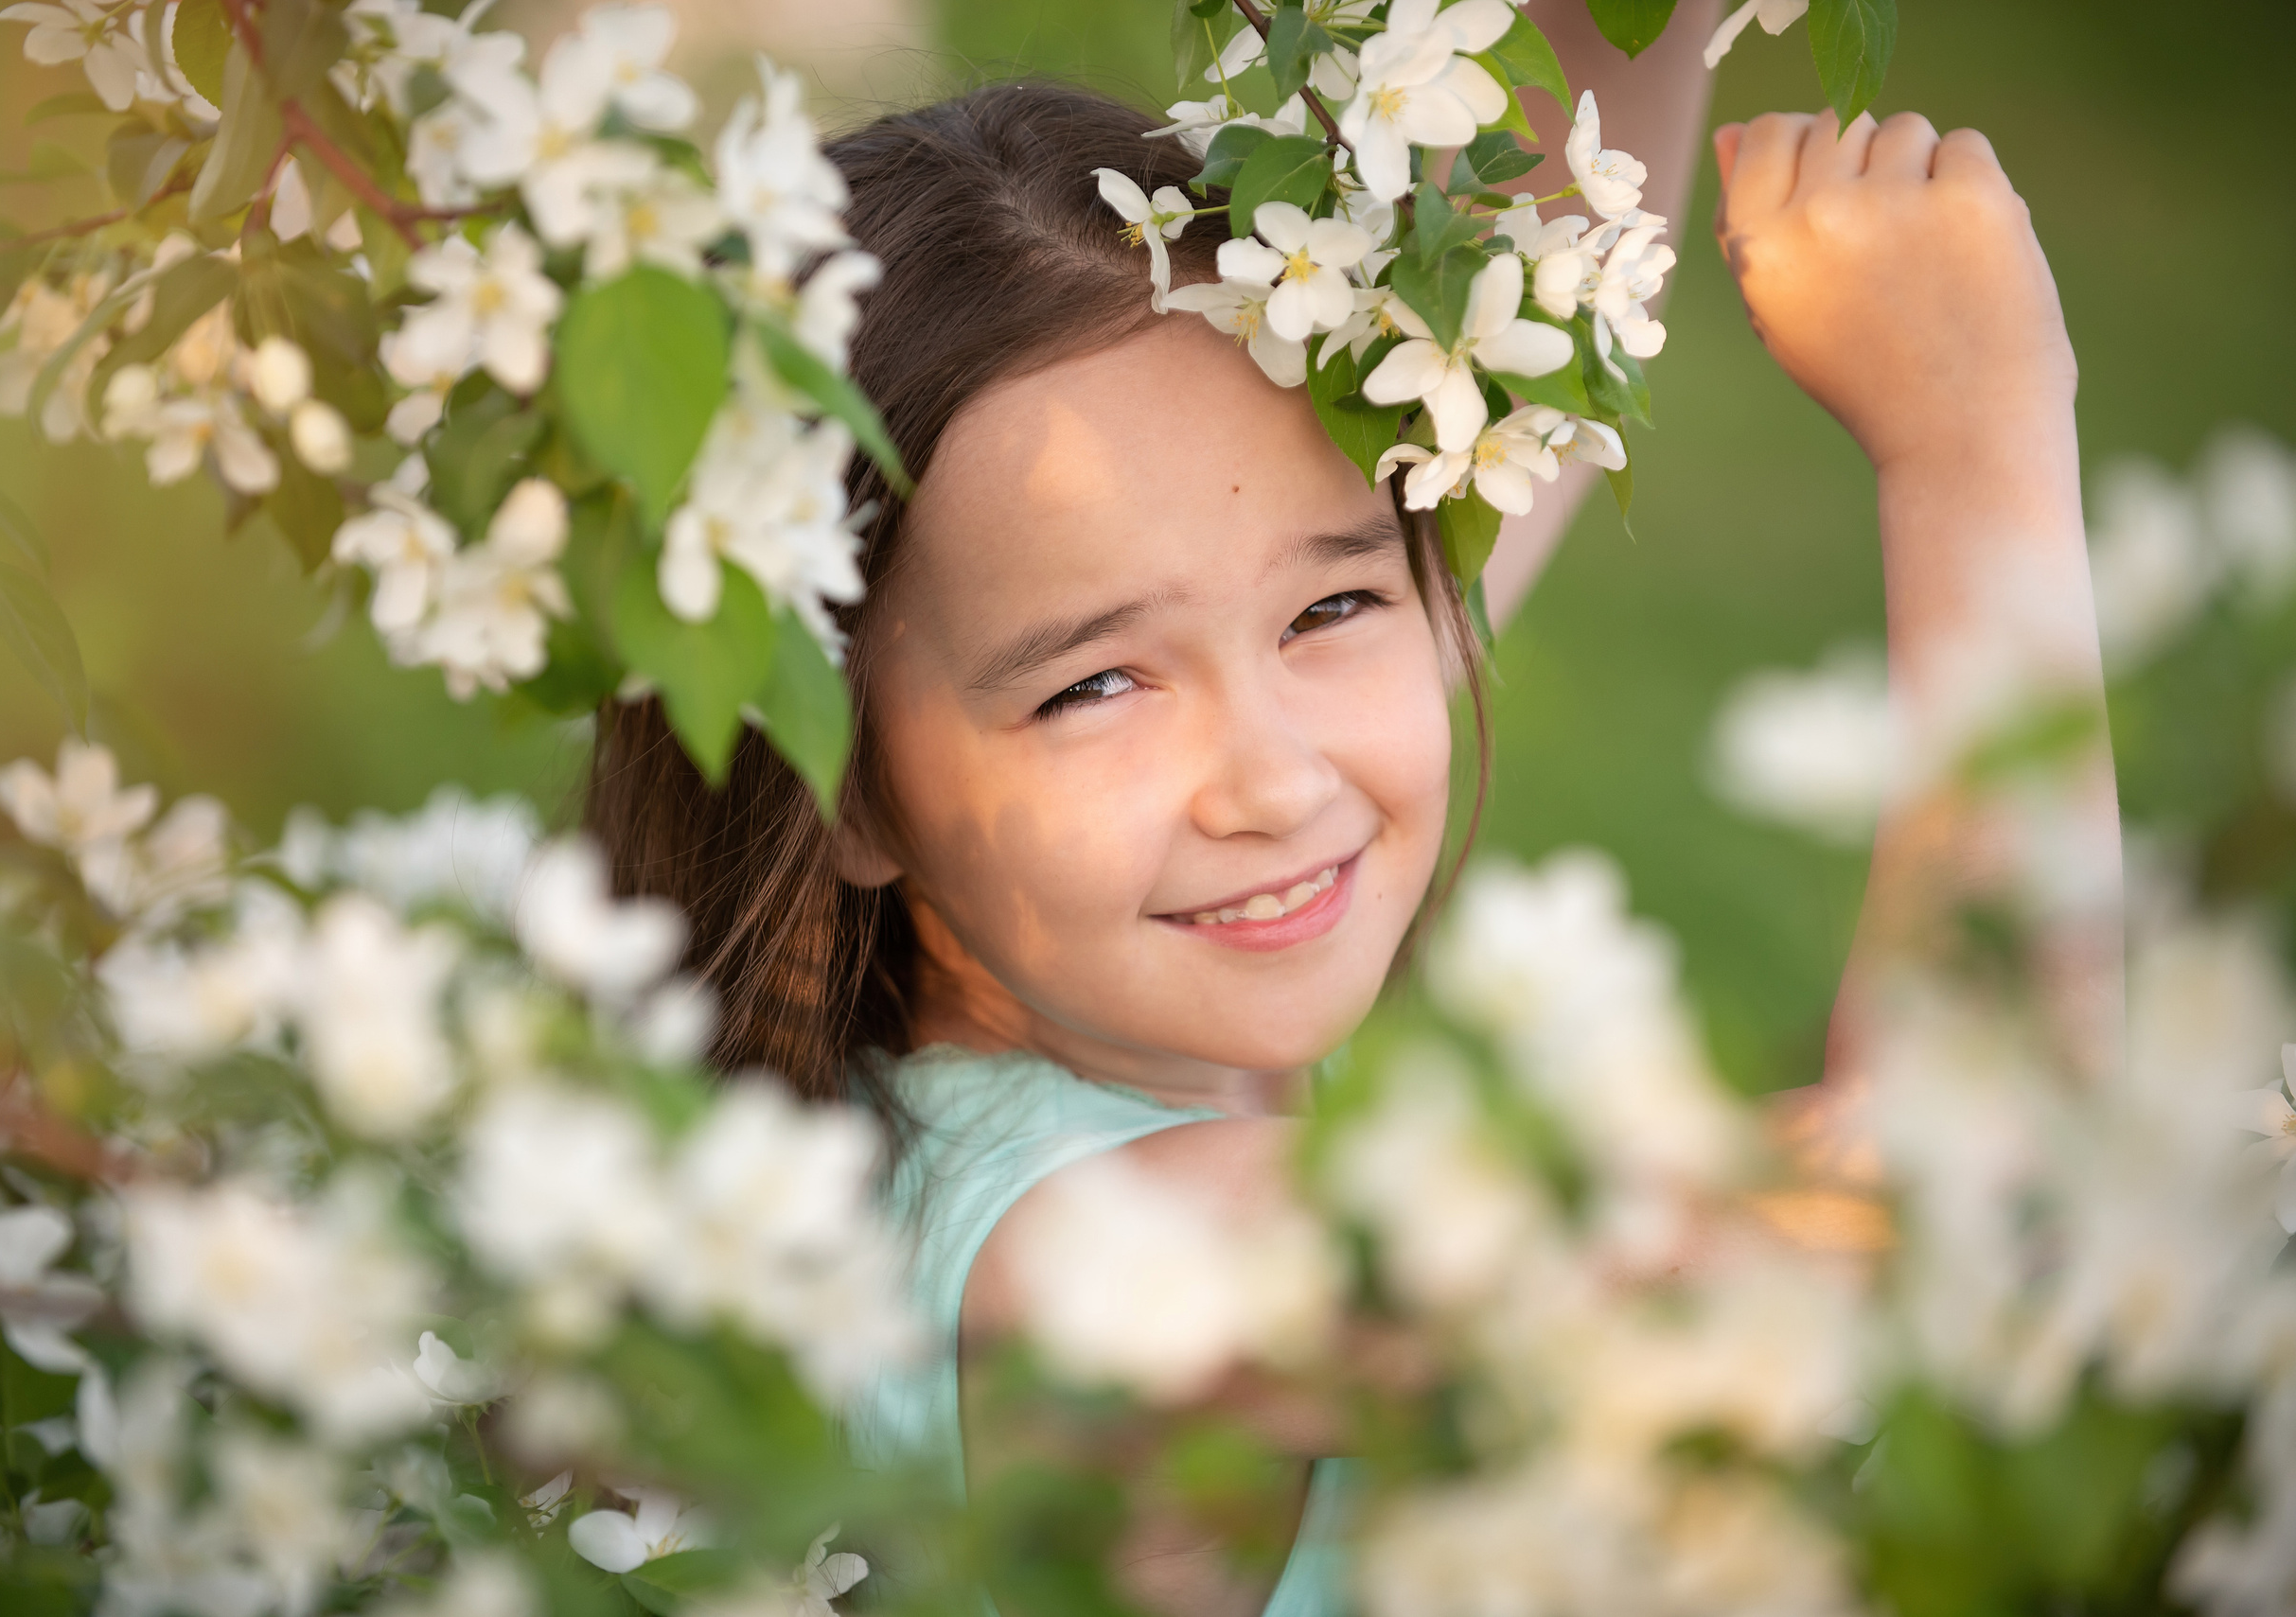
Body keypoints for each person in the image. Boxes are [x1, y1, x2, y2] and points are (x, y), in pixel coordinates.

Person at [585, 3, 2115, 1610]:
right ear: (837, 775)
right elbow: (1974, 1203)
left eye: (1329, 608)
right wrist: (1974, 441)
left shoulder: (980, 1071)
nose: (1278, 777)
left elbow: (1567, 150)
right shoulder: (1122, 1277)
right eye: (1094, 686)